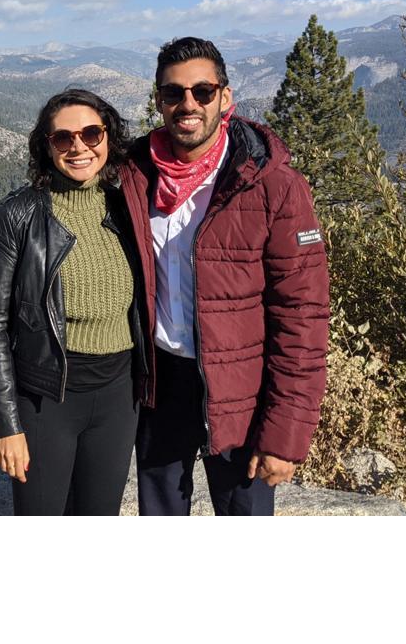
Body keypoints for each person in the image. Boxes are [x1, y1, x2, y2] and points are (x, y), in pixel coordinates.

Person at [118, 36, 330, 516]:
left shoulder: (271, 184)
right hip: (160, 385)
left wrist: (286, 435)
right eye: (173, 94)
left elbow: (303, 314)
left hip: (241, 390)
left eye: (202, 91)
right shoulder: (136, 176)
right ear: (159, 101)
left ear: (225, 98)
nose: (187, 104)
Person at [0, 88, 152, 516]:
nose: (79, 147)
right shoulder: (19, 216)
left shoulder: (128, 207)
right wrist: (7, 426)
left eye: (91, 133)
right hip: (48, 398)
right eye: (63, 138)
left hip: (119, 397)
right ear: (46, 146)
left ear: (108, 137)